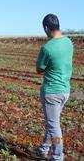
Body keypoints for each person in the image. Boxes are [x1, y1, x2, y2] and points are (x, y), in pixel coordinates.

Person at [36, 14, 73, 160]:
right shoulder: (69, 43)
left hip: (52, 92)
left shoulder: (47, 48)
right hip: (65, 91)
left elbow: (39, 69)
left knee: (53, 126)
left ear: (46, 28)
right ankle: (44, 148)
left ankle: (57, 156)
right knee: (52, 122)